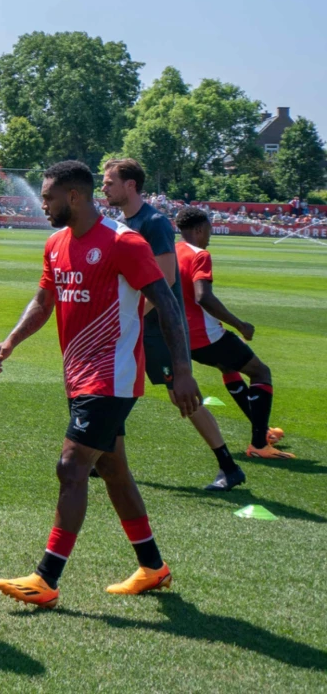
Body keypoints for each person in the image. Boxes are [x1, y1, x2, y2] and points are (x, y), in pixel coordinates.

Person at [0, 161, 200, 608]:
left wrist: (182, 370)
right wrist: (11, 341)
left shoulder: (124, 242)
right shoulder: (54, 244)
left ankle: (46, 578)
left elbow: (167, 300)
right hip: (78, 378)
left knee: (72, 466)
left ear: (74, 197)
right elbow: (45, 298)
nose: (42, 205)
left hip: (112, 378)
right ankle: (152, 566)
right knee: (113, 471)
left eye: (48, 198)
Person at [102, 158, 241, 491]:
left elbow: (163, 279)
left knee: (183, 396)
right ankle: (99, 453)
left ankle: (229, 466)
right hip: (139, 326)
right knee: (118, 386)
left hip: (158, 328)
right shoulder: (125, 221)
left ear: (130, 185)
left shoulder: (153, 223)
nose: (103, 187)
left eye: (109, 182)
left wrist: (130, 314)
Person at [173, 208, 290, 462]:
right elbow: (203, 296)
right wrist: (240, 325)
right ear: (199, 230)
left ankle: (263, 431)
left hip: (179, 338)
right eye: (210, 230)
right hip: (206, 336)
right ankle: (259, 444)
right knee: (260, 372)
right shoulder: (200, 254)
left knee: (229, 368)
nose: (210, 236)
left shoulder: (170, 252)